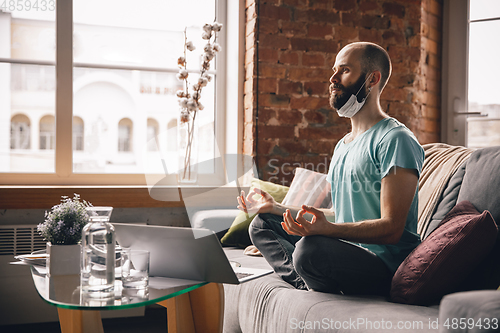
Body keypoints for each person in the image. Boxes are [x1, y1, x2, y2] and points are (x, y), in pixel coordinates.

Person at [237, 42, 424, 296]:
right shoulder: (342, 145)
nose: (332, 78)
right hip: (346, 249)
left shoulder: (395, 139)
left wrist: (328, 231)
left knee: (310, 251)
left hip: (384, 266)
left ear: (372, 79)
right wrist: (276, 208)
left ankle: (308, 277)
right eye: (334, 70)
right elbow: (341, 213)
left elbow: (392, 228)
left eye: (344, 70)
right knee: (262, 224)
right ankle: (309, 281)